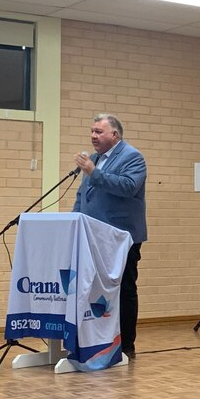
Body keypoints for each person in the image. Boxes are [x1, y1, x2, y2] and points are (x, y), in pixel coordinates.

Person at [73, 114, 147, 359]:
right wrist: (74, 221)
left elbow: (128, 187)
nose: (93, 136)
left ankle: (126, 344)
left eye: (99, 132)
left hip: (121, 239)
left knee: (124, 289)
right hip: (92, 238)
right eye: (92, 131)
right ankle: (96, 340)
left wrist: (95, 173)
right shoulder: (93, 160)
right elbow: (82, 195)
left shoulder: (132, 157)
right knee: (92, 288)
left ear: (114, 135)